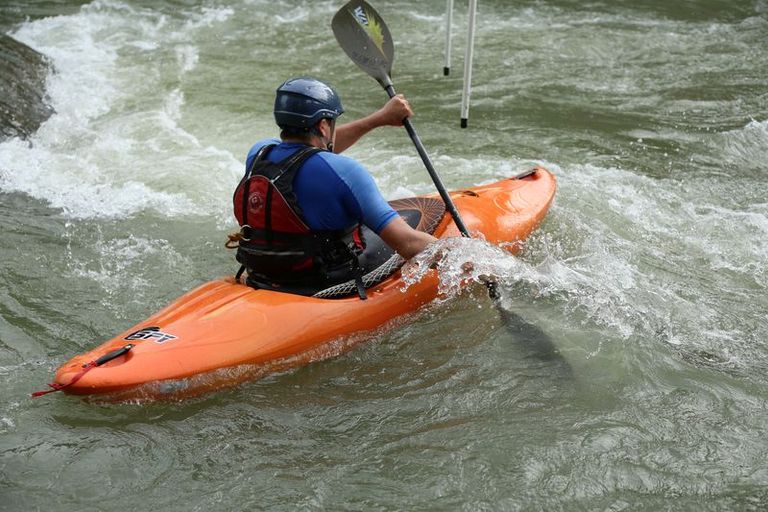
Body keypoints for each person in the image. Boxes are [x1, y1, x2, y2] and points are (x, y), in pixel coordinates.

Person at [231, 77, 437, 298]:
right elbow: (408, 244)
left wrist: (379, 119)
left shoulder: (259, 154)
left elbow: (304, 156)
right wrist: (469, 254)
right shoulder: (345, 172)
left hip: (265, 275)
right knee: (404, 229)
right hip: (323, 285)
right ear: (323, 125)